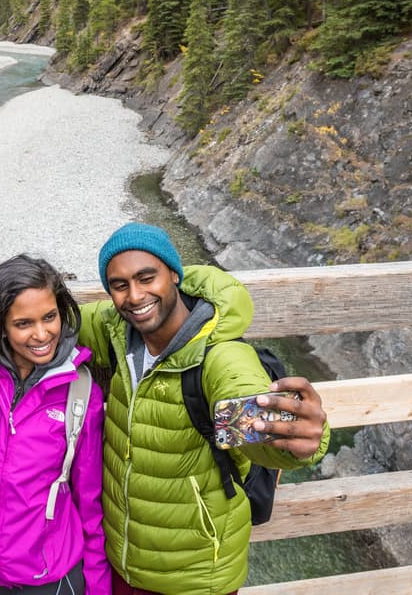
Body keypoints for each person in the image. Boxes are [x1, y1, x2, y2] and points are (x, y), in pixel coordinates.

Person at [78, 223, 331, 595]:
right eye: (119, 285)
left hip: (195, 577)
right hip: (124, 563)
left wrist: (296, 438)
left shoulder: (220, 356)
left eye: (147, 277)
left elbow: (255, 422)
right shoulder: (116, 331)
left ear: (174, 275)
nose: (135, 295)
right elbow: (53, 320)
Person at [0, 254, 110, 594]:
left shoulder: (81, 395)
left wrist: (98, 588)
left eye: (50, 317)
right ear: (0, 326)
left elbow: (90, 502)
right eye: (23, 323)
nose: (42, 334)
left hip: (50, 579)